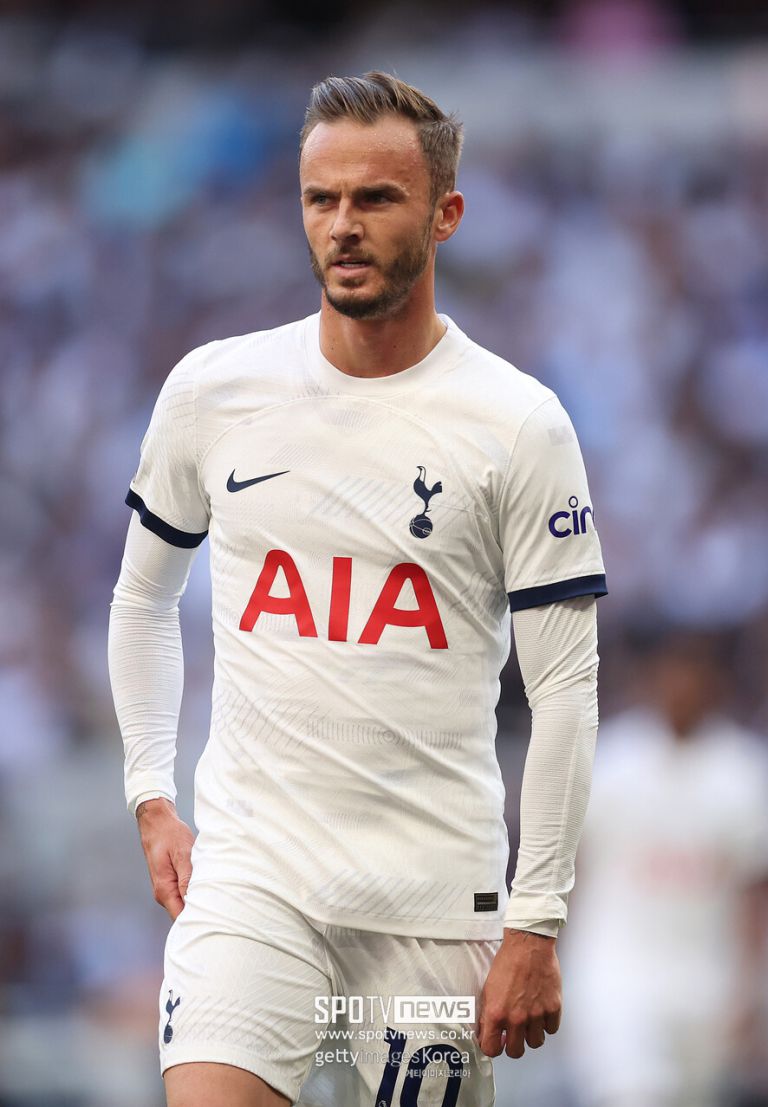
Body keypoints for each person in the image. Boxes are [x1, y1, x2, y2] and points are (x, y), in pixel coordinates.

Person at [108, 71, 607, 1107]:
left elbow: (564, 689)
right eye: (320, 199)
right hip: (252, 885)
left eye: (375, 198)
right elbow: (144, 598)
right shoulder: (215, 390)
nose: (342, 225)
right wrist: (151, 794)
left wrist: (536, 919)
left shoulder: (518, 425)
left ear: (445, 214)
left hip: (430, 903)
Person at [561, 630, 768, 1107]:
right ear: (651, 679)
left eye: (696, 674)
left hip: (707, 986)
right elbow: (572, 867)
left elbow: (757, 892)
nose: (683, 686)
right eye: (672, 673)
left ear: (717, 683)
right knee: (632, 1092)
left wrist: (752, 989)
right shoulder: (612, 759)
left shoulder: (744, 771)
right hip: (615, 973)